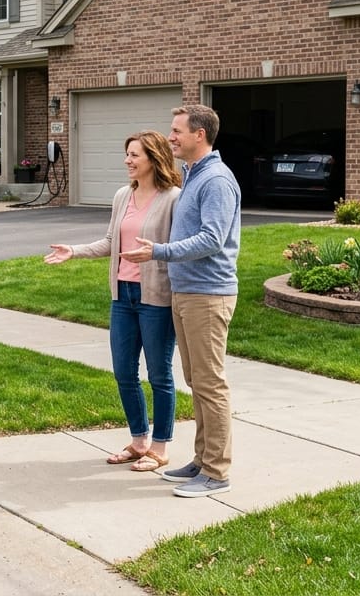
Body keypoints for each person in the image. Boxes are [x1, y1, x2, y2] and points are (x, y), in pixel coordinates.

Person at [122, 104, 241, 498]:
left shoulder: (217, 180)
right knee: (197, 382)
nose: (170, 137)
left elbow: (213, 239)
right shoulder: (194, 175)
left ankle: (217, 472)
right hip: (188, 292)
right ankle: (202, 461)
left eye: (177, 131)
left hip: (209, 293)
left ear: (199, 135)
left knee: (211, 384)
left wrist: (159, 251)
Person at [45, 131, 181, 473]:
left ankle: (160, 448)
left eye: (134, 155)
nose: (127, 161)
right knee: (124, 372)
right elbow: (111, 242)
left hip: (156, 299)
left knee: (160, 375)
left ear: (154, 158)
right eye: (127, 154)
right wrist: (73, 251)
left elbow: (178, 249)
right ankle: (138, 442)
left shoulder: (173, 199)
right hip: (123, 296)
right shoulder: (124, 195)